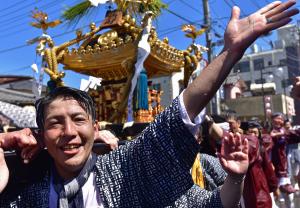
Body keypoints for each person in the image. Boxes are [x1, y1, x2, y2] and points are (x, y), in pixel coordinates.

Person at [0, 1, 298, 207]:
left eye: (78, 120)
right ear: (39, 132)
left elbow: (177, 116)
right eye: (54, 123)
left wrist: (229, 53)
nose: (69, 132)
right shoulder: (25, 188)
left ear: (95, 126)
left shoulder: (124, 170)